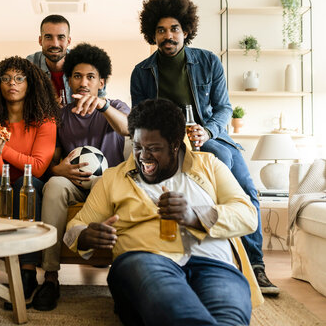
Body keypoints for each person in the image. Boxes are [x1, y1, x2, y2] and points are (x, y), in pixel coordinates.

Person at [129, 0, 278, 295]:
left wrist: (207, 132)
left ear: (185, 31)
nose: (167, 36)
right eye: (160, 30)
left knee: (245, 188)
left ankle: (255, 265)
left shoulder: (208, 62)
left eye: (174, 29)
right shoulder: (141, 72)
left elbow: (224, 108)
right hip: (165, 143)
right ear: (152, 34)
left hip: (209, 137)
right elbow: (140, 118)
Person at [64, 99, 262, 326]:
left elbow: (247, 215)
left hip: (215, 264)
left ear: (175, 144)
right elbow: (76, 226)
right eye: (138, 147)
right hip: (146, 259)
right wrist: (85, 235)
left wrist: (195, 216)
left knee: (230, 320)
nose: (143, 157)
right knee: (177, 311)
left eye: (154, 149)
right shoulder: (113, 178)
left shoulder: (209, 165)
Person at [32, 43, 130, 311]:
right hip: (74, 183)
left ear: (102, 81)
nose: (83, 82)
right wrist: (57, 170)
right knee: (53, 185)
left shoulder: (116, 106)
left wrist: (103, 106)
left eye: (90, 77)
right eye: (77, 76)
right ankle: (50, 276)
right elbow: (49, 161)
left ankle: (124, 273)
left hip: (107, 185)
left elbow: (127, 129)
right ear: (68, 81)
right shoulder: (60, 117)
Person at [0, 56, 60, 309]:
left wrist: (2, 148)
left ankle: (28, 272)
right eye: (6, 78)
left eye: (19, 78)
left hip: (32, 184)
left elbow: (39, 167)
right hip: (1, 181)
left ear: (29, 84)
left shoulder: (45, 120)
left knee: (26, 185)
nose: (13, 83)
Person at [27, 15, 107, 106]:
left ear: (68, 41)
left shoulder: (86, 62)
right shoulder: (30, 64)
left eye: (61, 37)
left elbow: (100, 99)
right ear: (40, 40)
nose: (55, 44)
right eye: (48, 37)